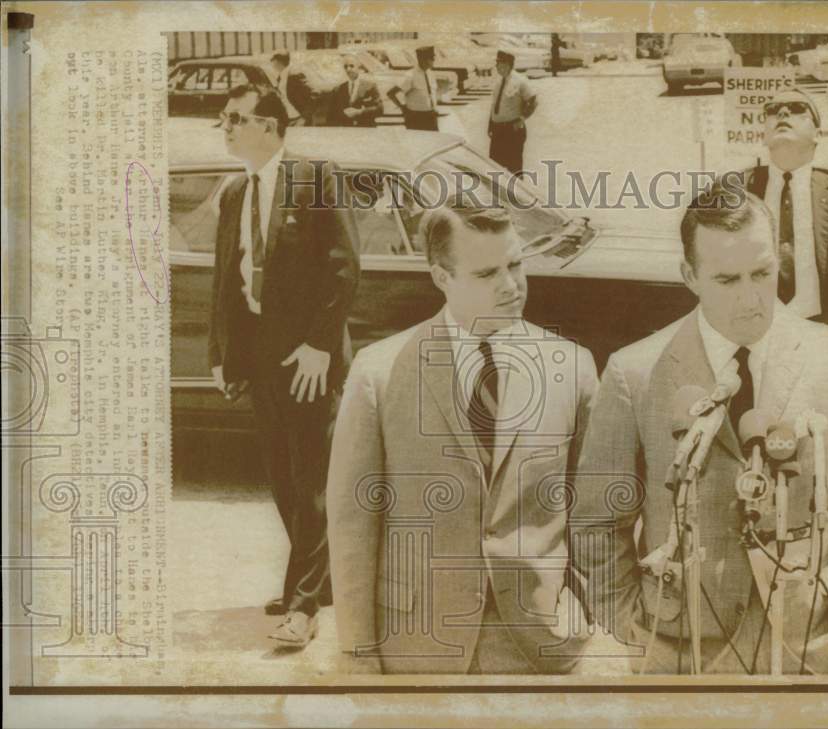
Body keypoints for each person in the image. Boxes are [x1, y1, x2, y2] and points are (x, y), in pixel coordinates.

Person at [575, 184, 828, 674]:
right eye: (726, 280)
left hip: (815, 643)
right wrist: (630, 624)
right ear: (690, 276)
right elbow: (597, 520)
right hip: (681, 653)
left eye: (762, 273)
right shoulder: (633, 372)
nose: (751, 298)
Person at [328, 201, 597, 674]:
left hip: (538, 645)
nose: (511, 286)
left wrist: (584, 613)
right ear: (441, 277)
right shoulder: (379, 373)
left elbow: (594, 511)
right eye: (487, 273)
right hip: (416, 644)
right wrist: (357, 649)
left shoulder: (572, 367)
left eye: (516, 264)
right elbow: (352, 523)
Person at [209, 84, 360, 647]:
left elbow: (344, 268)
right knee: (281, 479)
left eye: (236, 117)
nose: (225, 127)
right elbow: (227, 281)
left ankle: (302, 607)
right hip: (260, 357)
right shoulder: (233, 193)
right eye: (223, 118)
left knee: (311, 480)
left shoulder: (314, 177)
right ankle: (312, 583)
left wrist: (320, 345)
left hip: (308, 358)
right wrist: (223, 354)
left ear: (270, 127)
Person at [743, 88, 828, 334]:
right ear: (763, 135)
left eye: (797, 109)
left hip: (823, 332)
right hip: (753, 334)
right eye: (772, 111)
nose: (783, 113)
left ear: (818, 134)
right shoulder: (736, 190)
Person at [488, 50, 537, 177]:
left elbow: (533, 101)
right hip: (498, 131)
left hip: (512, 131)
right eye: (497, 63)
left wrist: (522, 119)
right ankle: (499, 196)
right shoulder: (499, 82)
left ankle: (516, 196)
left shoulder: (520, 81)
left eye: (499, 63)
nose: (496, 66)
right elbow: (494, 105)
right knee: (494, 168)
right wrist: (490, 124)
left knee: (514, 168)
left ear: (507, 64)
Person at [387, 45, 439, 131]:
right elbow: (391, 93)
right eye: (432, 58)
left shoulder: (431, 74)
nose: (434, 61)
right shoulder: (410, 75)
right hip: (416, 117)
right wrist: (403, 108)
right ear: (423, 60)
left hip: (431, 116)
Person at [327, 54, 383, 127]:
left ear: (359, 68)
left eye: (351, 66)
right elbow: (331, 114)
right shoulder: (338, 89)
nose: (348, 69)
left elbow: (379, 109)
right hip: (346, 130)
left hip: (365, 129)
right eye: (345, 67)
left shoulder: (370, 86)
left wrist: (360, 112)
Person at [269, 51, 311, 126]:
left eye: (272, 60)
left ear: (277, 62)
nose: (271, 64)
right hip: (287, 120)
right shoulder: (280, 77)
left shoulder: (295, 75)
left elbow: (312, 95)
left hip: (299, 120)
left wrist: (304, 118)